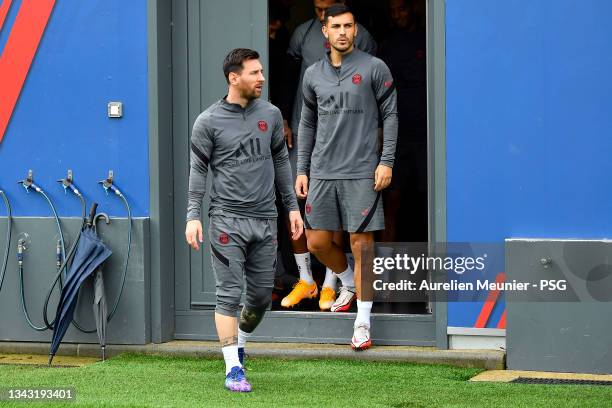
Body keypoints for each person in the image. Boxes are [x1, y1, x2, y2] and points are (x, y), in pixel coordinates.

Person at [185, 48, 303, 392]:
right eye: (254, 73)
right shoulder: (207, 121)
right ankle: (232, 368)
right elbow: (197, 172)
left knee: (261, 298)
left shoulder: (271, 114)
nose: (261, 78)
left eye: (262, 72)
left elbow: (282, 164)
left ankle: (240, 344)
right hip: (226, 220)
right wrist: (193, 215)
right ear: (233, 78)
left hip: (265, 219)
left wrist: (292, 208)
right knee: (228, 294)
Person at [295, 4, 398, 350]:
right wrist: (302, 168)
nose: (342, 31)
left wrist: (386, 161)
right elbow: (307, 123)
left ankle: (363, 322)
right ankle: (347, 280)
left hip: (361, 172)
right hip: (323, 171)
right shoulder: (313, 74)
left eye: (348, 26)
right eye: (335, 26)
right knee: (317, 243)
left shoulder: (374, 68)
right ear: (324, 31)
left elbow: (391, 115)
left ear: (356, 31)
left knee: (362, 245)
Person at [280, 0, 377, 311]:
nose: (326, 16)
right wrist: (284, 116)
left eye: (332, 12)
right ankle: (306, 279)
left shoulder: (363, 44)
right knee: (295, 205)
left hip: (347, 148)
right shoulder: (301, 35)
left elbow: (375, 98)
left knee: (337, 215)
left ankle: (331, 285)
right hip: (303, 135)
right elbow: (286, 75)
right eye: (320, 10)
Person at [378, 0, 427, 243]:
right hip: (398, 135)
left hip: (428, 134)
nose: (398, 15)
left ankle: (431, 261)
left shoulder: (429, 40)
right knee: (393, 200)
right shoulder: (387, 47)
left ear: (413, 9)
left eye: (403, 8)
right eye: (393, 11)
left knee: (428, 200)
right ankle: (387, 270)